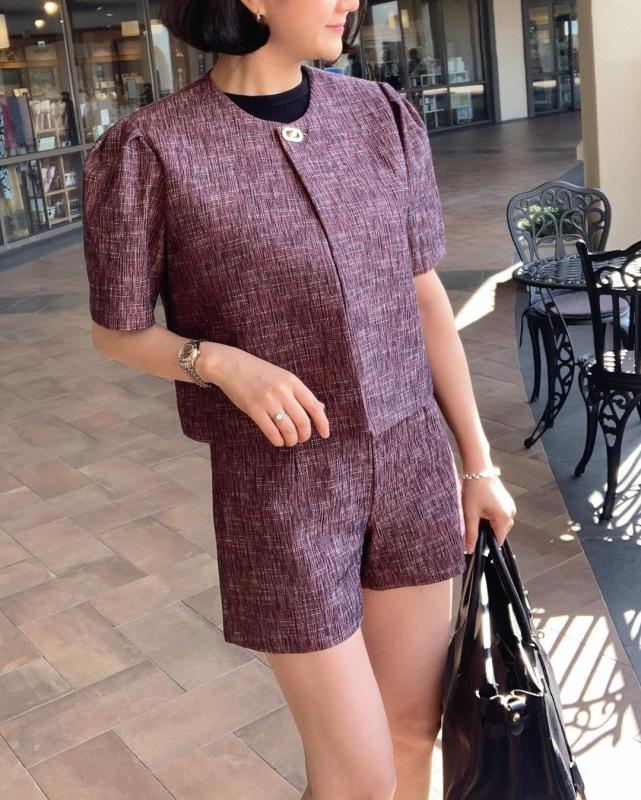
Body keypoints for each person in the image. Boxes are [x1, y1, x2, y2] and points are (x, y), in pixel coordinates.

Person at [81, 1, 517, 798]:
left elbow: (425, 299)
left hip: (411, 464)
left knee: (413, 729)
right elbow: (117, 332)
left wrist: (477, 465)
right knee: (357, 777)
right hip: (280, 487)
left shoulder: (381, 116)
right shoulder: (151, 147)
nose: (351, 2)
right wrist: (214, 362)